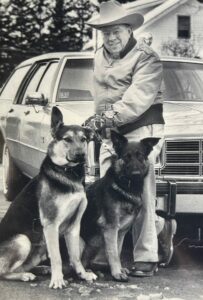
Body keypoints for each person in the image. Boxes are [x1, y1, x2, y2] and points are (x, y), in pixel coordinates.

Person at [86, 0, 177, 277]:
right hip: (112, 134)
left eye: (116, 31)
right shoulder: (99, 55)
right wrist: (99, 124)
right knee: (108, 198)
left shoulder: (147, 57)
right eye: (106, 32)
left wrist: (103, 120)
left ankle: (147, 256)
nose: (111, 37)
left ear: (129, 29)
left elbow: (136, 101)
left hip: (141, 130)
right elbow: (101, 94)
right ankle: (109, 255)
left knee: (142, 196)